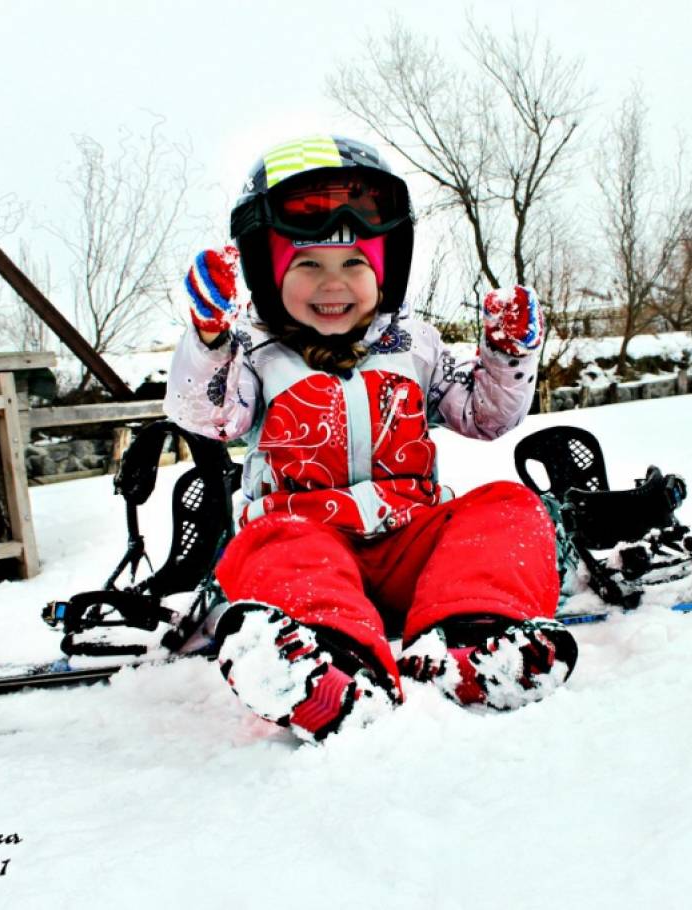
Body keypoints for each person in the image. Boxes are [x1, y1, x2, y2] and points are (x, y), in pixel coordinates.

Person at [164, 134, 576, 742]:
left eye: (354, 263)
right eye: (308, 264)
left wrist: (508, 355)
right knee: (266, 543)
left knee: (509, 506)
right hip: (308, 539)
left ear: (385, 269)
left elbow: (484, 416)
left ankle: (471, 639)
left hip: (412, 541)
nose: (334, 284)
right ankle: (328, 667)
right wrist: (207, 340)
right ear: (267, 272)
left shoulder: (415, 344)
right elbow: (210, 416)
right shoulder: (252, 353)